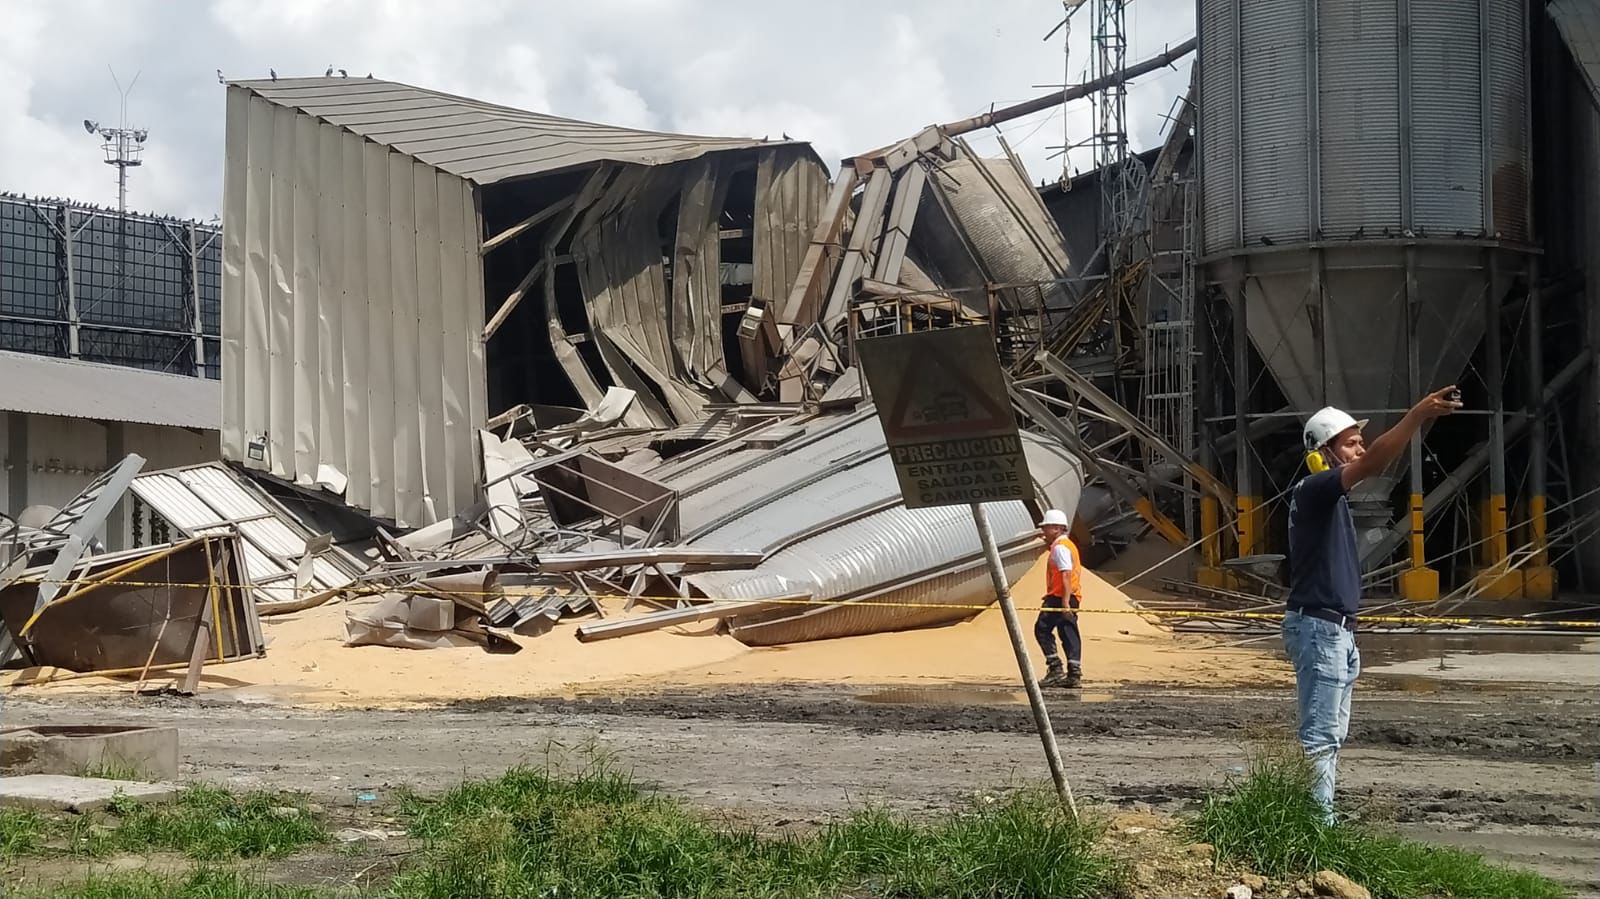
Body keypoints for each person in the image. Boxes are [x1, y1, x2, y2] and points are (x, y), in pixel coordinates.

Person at [1285, 386, 1461, 822]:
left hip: (1337, 631)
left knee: (1331, 735)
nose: (1360, 447)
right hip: (1320, 629)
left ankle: (1317, 814)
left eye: (1360, 440)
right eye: (1350, 441)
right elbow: (1374, 463)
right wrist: (1416, 415)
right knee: (1321, 737)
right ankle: (1317, 828)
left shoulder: (1330, 499)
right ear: (1321, 453)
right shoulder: (1316, 488)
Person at [1034, 508, 1084, 688]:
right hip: (1069, 596)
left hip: (1060, 597)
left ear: (1056, 528)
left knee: (1042, 629)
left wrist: (1064, 603)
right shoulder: (1066, 545)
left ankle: (1055, 668)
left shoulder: (1060, 548)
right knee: (1068, 632)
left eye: (1046, 528)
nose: (1043, 531)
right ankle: (1074, 673)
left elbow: (1065, 574)